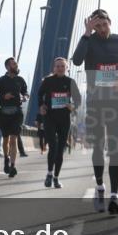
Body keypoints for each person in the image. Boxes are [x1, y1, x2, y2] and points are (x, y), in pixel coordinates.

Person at [71, 8, 118, 215]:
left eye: (104, 25)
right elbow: (76, 61)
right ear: (93, 27)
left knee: (114, 147)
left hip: (116, 101)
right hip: (96, 102)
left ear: (110, 22)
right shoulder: (89, 41)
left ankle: (114, 196)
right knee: (98, 147)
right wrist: (86, 33)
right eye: (97, 26)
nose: (102, 29)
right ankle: (100, 186)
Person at [38, 57, 82, 189]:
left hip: (64, 118)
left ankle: (56, 177)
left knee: (60, 150)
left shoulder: (70, 82)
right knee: (53, 146)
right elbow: (39, 95)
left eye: (62, 66)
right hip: (50, 117)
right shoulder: (47, 81)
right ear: (54, 68)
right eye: (57, 66)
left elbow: (78, 100)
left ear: (67, 68)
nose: (60, 68)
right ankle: (49, 174)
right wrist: (41, 106)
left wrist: (73, 106)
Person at [0, 57, 28, 178]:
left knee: (13, 139)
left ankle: (13, 165)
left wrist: (24, 97)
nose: (16, 66)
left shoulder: (20, 80)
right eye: (13, 64)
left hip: (17, 113)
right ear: (7, 67)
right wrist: (3, 97)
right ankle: (6, 158)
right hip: (4, 113)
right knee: (5, 140)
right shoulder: (0, 81)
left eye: (16, 64)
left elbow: (26, 93)